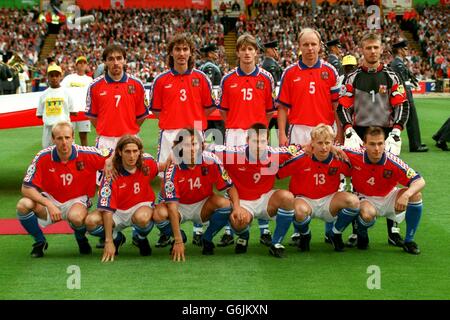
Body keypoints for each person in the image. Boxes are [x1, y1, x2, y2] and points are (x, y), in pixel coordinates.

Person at [337, 32, 410, 247]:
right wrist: (348, 128)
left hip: (385, 134)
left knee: (391, 178)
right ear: (362, 49)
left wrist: (397, 129)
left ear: (381, 49)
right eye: (368, 48)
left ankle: (393, 229)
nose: (372, 51)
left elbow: (402, 104)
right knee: (355, 178)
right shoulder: (352, 77)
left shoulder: (392, 76)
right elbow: (343, 105)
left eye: (375, 48)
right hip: (358, 134)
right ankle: (356, 227)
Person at [149, 33, 216, 247]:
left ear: (190, 52)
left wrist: (194, 132)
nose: (181, 53)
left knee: (198, 176)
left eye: (185, 49)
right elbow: (158, 111)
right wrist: (175, 126)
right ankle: (167, 230)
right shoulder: (161, 80)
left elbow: (208, 107)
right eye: (177, 49)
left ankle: (198, 227)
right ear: (171, 53)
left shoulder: (201, 78)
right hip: (169, 134)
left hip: (195, 134)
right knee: (165, 177)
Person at [276, 28, 341, 244]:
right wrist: (282, 136)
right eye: (306, 44)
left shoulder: (330, 71)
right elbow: (283, 108)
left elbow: (336, 104)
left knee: (333, 175)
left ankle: (331, 229)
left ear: (320, 45)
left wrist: (339, 131)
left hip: (326, 130)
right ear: (299, 46)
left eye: (314, 44)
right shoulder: (290, 72)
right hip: (299, 129)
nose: (310, 48)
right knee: (299, 175)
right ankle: (299, 228)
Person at [16, 121, 112, 258]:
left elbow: (115, 153)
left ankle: (81, 239)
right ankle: (40, 242)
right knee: (23, 205)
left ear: (73, 137)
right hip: (50, 199)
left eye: (67, 138)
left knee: (76, 217)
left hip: (77, 199)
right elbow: (26, 188)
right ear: (53, 139)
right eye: (59, 138)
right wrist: (48, 204)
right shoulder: (43, 156)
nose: (64, 142)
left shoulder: (86, 153)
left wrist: (108, 162)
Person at [208, 123, 301, 258]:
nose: (259, 145)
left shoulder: (274, 153)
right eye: (255, 141)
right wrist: (173, 156)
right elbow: (205, 149)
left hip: (265, 200)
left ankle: (276, 243)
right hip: (242, 201)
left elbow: (300, 148)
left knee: (288, 197)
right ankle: (244, 236)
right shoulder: (233, 153)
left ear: (268, 141)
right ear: (247, 141)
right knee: (238, 222)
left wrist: (332, 148)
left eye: (262, 141)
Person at [217, 34, 276, 246]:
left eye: (251, 49)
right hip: (234, 132)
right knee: (233, 177)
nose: (247, 53)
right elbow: (223, 112)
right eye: (243, 49)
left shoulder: (266, 78)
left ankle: (264, 227)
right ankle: (230, 226)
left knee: (262, 176)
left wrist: (260, 131)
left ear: (256, 52)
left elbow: (270, 111)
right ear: (238, 52)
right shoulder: (228, 78)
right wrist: (236, 125)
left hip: (258, 135)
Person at [155, 129, 242, 261]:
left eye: (194, 144)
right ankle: (180, 236)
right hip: (179, 207)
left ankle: (207, 238)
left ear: (201, 146)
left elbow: (229, 187)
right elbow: (172, 207)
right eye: (186, 145)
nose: (191, 148)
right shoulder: (173, 167)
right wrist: (178, 241)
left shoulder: (211, 160)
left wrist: (237, 207)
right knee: (158, 214)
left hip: (203, 204)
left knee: (226, 205)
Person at [277, 124, 360, 252]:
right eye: (320, 143)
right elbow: (280, 173)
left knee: (353, 202)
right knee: (298, 211)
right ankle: (305, 235)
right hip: (305, 200)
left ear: (332, 143)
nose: (324, 147)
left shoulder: (338, 158)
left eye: (327, 143)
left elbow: (350, 171)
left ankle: (335, 233)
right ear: (312, 143)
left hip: (329, 200)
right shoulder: (301, 157)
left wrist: (338, 149)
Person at [344, 126, 425, 254]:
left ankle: (409, 240)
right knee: (367, 214)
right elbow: (330, 147)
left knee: (416, 195)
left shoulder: (393, 161)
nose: (376, 149)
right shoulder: (354, 154)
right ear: (363, 144)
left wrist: (406, 195)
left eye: (380, 144)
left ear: (385, 144)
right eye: (372, 144)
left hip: (388, 197)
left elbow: (419, 181)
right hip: (365, 198)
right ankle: (362, 234)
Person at [86, 135, 163, 262]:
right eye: (127, 151)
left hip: (140, 207)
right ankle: (117, 237)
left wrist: (173, 158)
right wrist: (109, 241)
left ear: (140, 152)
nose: (132, 156)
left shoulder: (147, 162)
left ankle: (140, 237)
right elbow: (107, 209)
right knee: (91, 221)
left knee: (143, 219)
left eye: (135, 151)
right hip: (117, 211)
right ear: (120, 152)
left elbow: (162, 167)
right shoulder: (111, 173)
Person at [85, 44, 148, 151]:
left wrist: (128, 130)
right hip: (105, 140)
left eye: (119, 58)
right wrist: (107, 131)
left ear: (124, 60)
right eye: (111, 59)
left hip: (130, 139)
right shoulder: (94, 86)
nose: (115, 63)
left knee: (131, 168)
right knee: (105, 168)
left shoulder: (137, 84)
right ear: (105, 62)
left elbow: (141, 116)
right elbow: (93, 117)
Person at [389, 39, 428, 152]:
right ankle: (415, 145)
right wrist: (408, 99)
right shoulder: (398, 64)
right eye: (405, 49)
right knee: (412, 121)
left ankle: (416, 144)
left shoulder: (398, 63)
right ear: (400, 50)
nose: (407, 51)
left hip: (402, 95)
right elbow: (403, 83)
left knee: (409, 120)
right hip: (404, 96)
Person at [37, 64, 76, 148]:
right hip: (48, 129)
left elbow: (73, 111)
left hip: (64, 129)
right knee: (48, 153)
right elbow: (40, 114)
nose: (54, 78)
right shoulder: (43, 95)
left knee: (66, 152)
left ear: (60, 77)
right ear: (48, 77)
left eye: (56, 75)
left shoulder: (67, 93)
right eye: (51, 76)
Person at [61, 56, 93, 146]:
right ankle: (72, 157)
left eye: (84, 63)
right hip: (71, 111)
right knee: (69, 135)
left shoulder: (89, 80)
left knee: (83, 136)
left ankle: (85, 157)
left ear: (86, 65)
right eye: (80, 63)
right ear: (76, 65)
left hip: (83, 111)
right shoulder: (69, 78)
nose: (82, 64)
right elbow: (61, 90)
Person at [199, 43, 225, 143]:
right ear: (209, 54)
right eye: (215, 52)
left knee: (202, 138)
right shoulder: (210, 67)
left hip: (208, 107)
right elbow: (208, 87)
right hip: (213, 107)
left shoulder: (205, 66)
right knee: (220, 139)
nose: (217, 54)